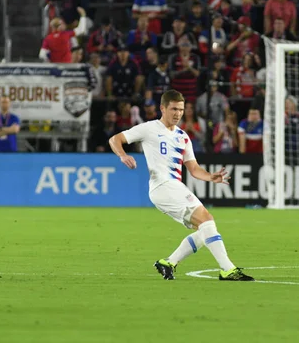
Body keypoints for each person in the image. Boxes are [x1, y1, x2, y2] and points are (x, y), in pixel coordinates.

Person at [108, 89, 254, 281]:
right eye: (174, 109)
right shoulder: (149, 128)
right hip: (163, 186)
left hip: (173, 187)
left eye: (181, 110)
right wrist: (123, 155)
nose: (178, 113)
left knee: (205, 229)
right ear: (163, 108)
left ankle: (168, 262)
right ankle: (227, 270)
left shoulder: (183, 137)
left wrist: (211, 177)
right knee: (207, 220)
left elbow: (193, 169)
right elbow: (115, 139)